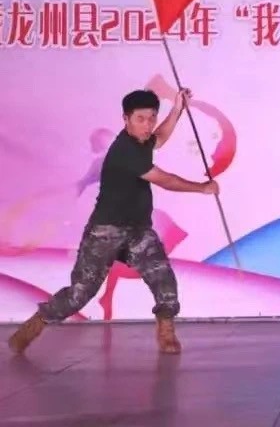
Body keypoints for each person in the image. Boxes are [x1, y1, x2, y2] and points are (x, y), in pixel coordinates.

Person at [7, 88, 219, 355]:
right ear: (125, 119)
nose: (148, 125)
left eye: (152, 118)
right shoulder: (125, 150)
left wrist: (177, 109)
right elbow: (166, 180)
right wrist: (202, 188)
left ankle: (166, 331)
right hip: (105, 232)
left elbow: (160, 138)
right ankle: (35, 324)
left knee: (163, 278)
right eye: (140, 119)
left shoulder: (141, 142)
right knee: (79, 295)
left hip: (138, 230)